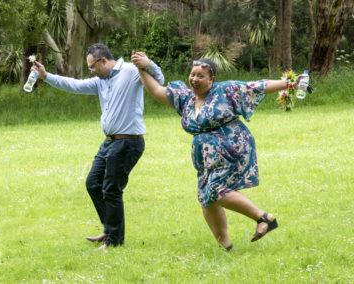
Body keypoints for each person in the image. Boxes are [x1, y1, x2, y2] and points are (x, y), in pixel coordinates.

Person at [132, 53, 301, 251]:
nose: (195, 79)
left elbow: (258, 86)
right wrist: (141, 68)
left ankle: (264, 218)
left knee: (215, 191)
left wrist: (287, 83)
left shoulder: (225, 90)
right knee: (206, 197)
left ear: (212, 79)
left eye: (201, 76)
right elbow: (156, 90)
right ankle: (225, 247)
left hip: (231, 147)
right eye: (193, 74)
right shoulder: (185, 99)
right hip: (205, 156)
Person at [33, 44, 164, 250]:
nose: (91, 72)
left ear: (103, 61)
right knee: (93, 183)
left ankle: (114, 241)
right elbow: (75, 85)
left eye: (92, 67)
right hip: (110, 142)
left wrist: (148, 64)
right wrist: (46, 76)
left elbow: (159, 80)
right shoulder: (101, 81)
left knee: (111, 190)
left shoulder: (130, 71)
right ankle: (109, 229)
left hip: (128, 141)